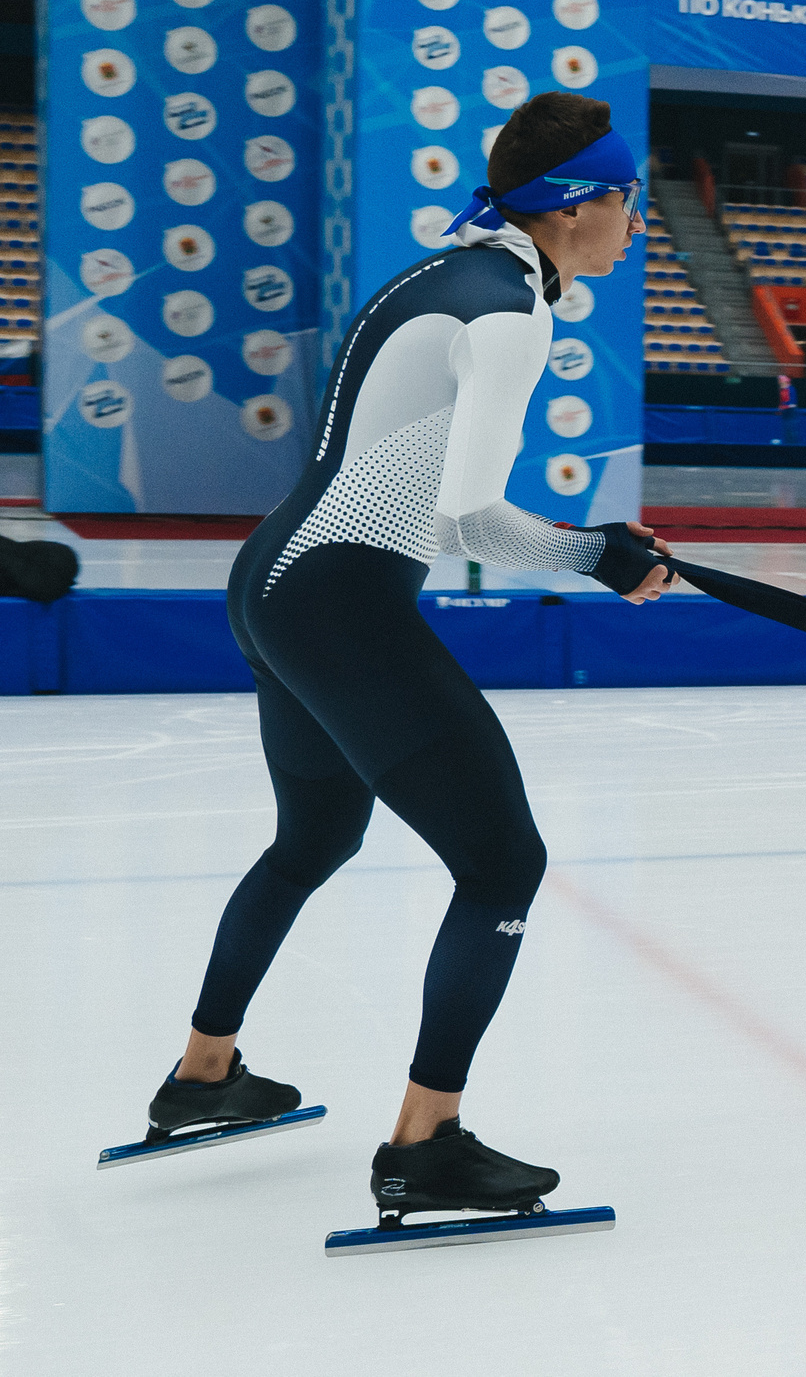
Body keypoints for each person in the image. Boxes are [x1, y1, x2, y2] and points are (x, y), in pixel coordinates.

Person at [141, 93, 674, 1226]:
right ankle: (425, 1145)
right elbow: (470, 520)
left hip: (276, 582)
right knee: (501, 866)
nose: (638, 222)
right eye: (632, 201)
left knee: (315, 838)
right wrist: (601, 555)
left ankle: (202, 1079)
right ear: (582, 206)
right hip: (340, 604)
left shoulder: (443, 275)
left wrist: (597, 550)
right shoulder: (509, 317)